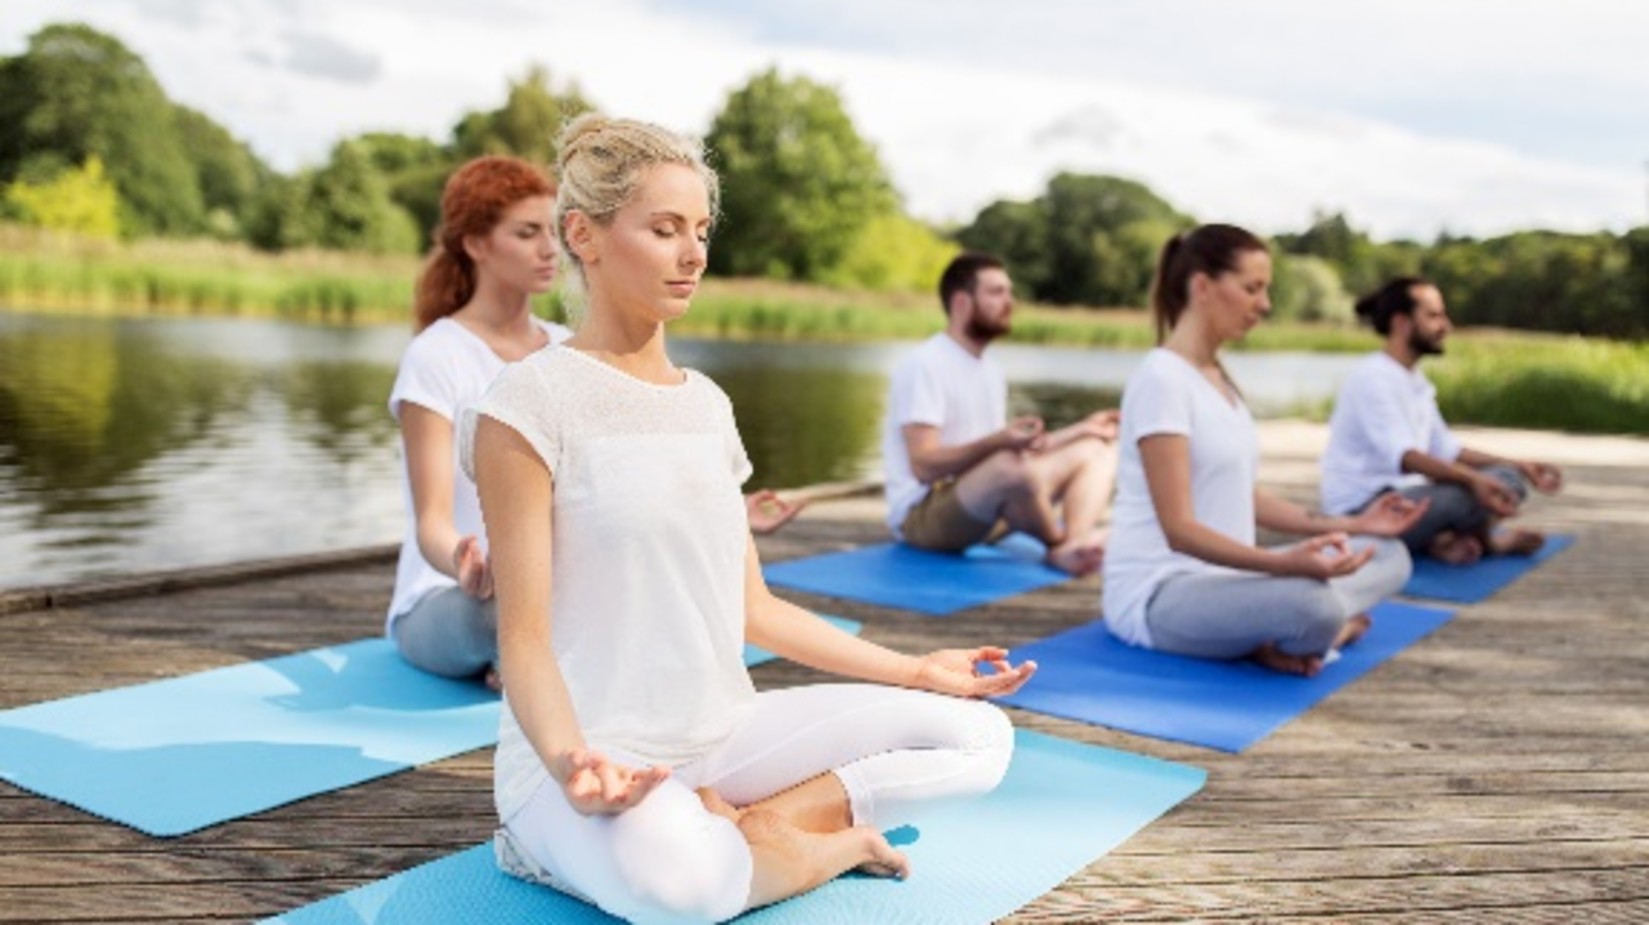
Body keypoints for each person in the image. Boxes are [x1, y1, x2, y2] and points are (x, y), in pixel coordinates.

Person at [463, 114, 1036, 924]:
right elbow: (518, 639)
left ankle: (749, 826)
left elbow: (753, 609)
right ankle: (831, 843)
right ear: (583, 237)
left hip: (723, 734)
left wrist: (915, 669)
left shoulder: (707, 406)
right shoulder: (526, 404)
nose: (693, 253)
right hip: (594, 750)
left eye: (700, 230)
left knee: (980, 739)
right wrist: (570, 761)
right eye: (664, 230)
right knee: (680, 891)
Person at [1102, 224, 1426, 677]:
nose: (1265, 304)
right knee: (1312, 604)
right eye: (1252, 288)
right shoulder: (1162, 380)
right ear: (1202, 287)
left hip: (1231, 583)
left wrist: (1357, 523)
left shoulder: (1217, 377)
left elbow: (1243, 496)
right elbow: (1179, 530)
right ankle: (1321, 632)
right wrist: (1283, 564)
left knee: (1389, 553)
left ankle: (1264, 635)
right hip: (1162, 593)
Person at [384, 155, 572, 687]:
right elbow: (432, 523)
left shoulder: (566, 349)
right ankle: (525, 664)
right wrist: (462, 563)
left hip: (552, 586)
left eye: (554, 231)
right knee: (515, 613)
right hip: (450, 600)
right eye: (527, 232)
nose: (549, 248)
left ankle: (527, 669)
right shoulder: (436, 355)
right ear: (476, 244)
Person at [881, 252, 1120, 576]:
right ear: (962, 302)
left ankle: (1074, 544)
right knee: (1010, 465)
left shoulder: (990, 370)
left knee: (1097, 448)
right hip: (925, 519)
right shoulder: (924, 364)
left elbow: (1008, 452)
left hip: (983, 504)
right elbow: (923, 466)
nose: (1010, 302)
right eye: (996, 292)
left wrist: (1083, 429)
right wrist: (998, 442)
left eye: (1009, 292)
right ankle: (1058, 543)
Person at [1320, 277, 1563, 564]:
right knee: (1470, 492)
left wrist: (1517, 464)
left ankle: (1443, 539)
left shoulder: (1415, 380)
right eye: (1433, 316)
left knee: (1507, 479)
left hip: (1409, 497)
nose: (1445, 325)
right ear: (1402, 323)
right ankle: (1483, 541)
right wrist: (1473, 481)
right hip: (1365, 510)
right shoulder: (1372, 378)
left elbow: (1448, 450)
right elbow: (1406, 457)